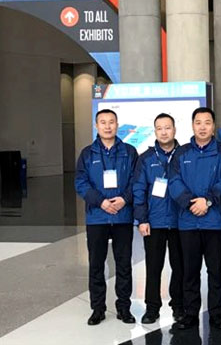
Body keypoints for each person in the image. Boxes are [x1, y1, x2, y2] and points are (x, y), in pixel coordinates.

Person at [168, 107, 221, 330]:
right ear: (192, 125)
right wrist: (191, 203)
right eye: (198, 122)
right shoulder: (182, 153)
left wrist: (207, 201)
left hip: (214, 221)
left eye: (207, 122)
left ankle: (216, 314)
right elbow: (174, 182)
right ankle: (190, 313)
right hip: (188, 222)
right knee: (190, 271)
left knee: (215, 270)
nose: (203, 127)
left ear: (213, 126)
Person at [75, 109, 138, 326]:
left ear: (117, 125)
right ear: (96, 126)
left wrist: (124, 199)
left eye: (111, 122)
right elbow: (80, 183)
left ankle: (124, 308)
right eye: (103, 122)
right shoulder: (87, 153)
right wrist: (100, 201)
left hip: (122, 216)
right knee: (96, 265)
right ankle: (98, 309)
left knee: (124, 264)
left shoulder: (129, 152)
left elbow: (136, 180)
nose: (107, 126)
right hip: (97, 217)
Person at [132, 113, 184, 324]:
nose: (164, 132)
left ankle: (178, 305)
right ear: (155, 131)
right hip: (154, 221)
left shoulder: (185, 155)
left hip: (180, 221)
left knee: (180, 266)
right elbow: (139, 189)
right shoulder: (145, 158)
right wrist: (142, 219)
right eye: (159, 128)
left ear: (174, 129)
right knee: (153, 267)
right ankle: (152, 308)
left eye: (167, 127)